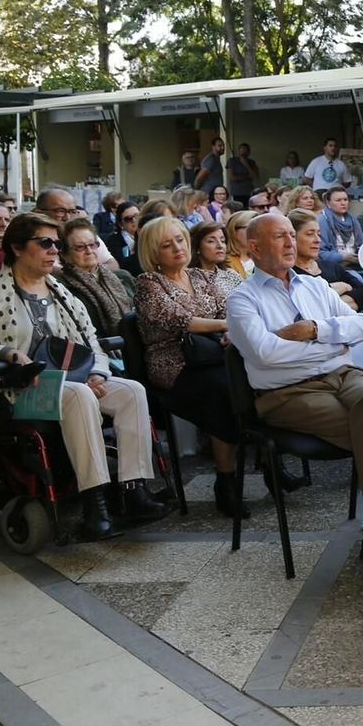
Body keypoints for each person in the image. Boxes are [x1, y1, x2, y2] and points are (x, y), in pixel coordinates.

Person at [227, 213, 363, 582]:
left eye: (290, 235)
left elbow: (362, 326)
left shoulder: (314, 286)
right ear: (254, 247)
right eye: (279, 237)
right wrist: (332, 343)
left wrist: (314, 329)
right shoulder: (242, 299)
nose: (290, 242)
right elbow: (265, 354)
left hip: (344, 377)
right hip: (286, 393)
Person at [0, 213, 165, 541]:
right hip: (17, 388)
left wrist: (97, 372)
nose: (54, 250)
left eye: (58, 244)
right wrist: (6, 353)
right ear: (17, 247)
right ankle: (95, 506)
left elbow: (92, 343)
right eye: (45, 242)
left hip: (70, 382)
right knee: (78, 394)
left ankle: (133, 492)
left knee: (132, 391)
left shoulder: (62, 293)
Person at [134, 215, 259, 518]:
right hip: (174, 365)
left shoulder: (201, 276)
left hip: (213, 356)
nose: (177, 248)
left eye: (180, 240)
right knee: (224, 389)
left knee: (254, 377)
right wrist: (226, 326)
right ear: (153, 252)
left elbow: (227, 309)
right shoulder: (148, 282)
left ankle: (270, 463)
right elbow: (180, 320)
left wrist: (231, 330)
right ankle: (226, 481)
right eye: (167, 245)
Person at [56, 219, 131, 339]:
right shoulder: (62, 288)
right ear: (64, 254)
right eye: (80, 247)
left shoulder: (123, 277)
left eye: (92, 245)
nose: (89, 251)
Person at [290, 210, 363, 313]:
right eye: (310, 234)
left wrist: (329, 304)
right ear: (292, 237)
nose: (317, 240)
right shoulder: (290, 275)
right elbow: (307, 305)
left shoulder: (331, 266)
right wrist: (341, 287)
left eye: (319, 234)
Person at [316, 185, 363, 273]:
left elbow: (362, 243)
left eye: (345, 200)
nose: (343, 203)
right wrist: (342, 257)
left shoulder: (352, 219)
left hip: (357, 263)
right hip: (335, 267)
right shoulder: (322, 220)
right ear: (328, 203)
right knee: (357, 278)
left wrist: (361, 254)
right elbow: (321, 252)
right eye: (338, 200)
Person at [190, 221, 242, 295]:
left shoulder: (232, 276)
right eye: (211, 241)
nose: (220, 246)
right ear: (197, 247)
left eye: (222, 241)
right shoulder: (187, 278)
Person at [103, 202, 141, 277]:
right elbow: (121, 265)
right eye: (128, 219)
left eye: (137, 216)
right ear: (121, 224)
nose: (134, 220)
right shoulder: (113, 241)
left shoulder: (147, 236)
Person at [224, 210, 258, 283]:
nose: (256, 233)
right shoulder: (223, 261)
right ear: (234, 231)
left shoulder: (265, 258)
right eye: (250, 228)